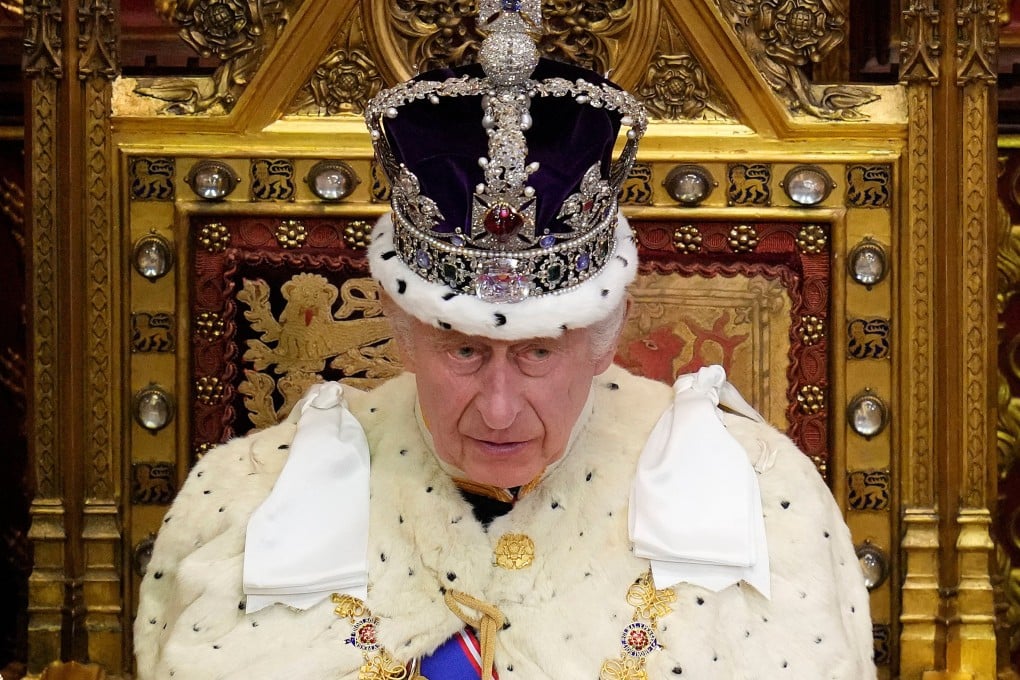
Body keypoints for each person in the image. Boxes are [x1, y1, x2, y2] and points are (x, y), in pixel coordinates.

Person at [133, 3, 877, 678]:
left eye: (538, 354)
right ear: (403, 334)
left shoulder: (755, 492)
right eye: (462, 351)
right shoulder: (253, 497)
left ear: (600, 340)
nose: (496, 410)